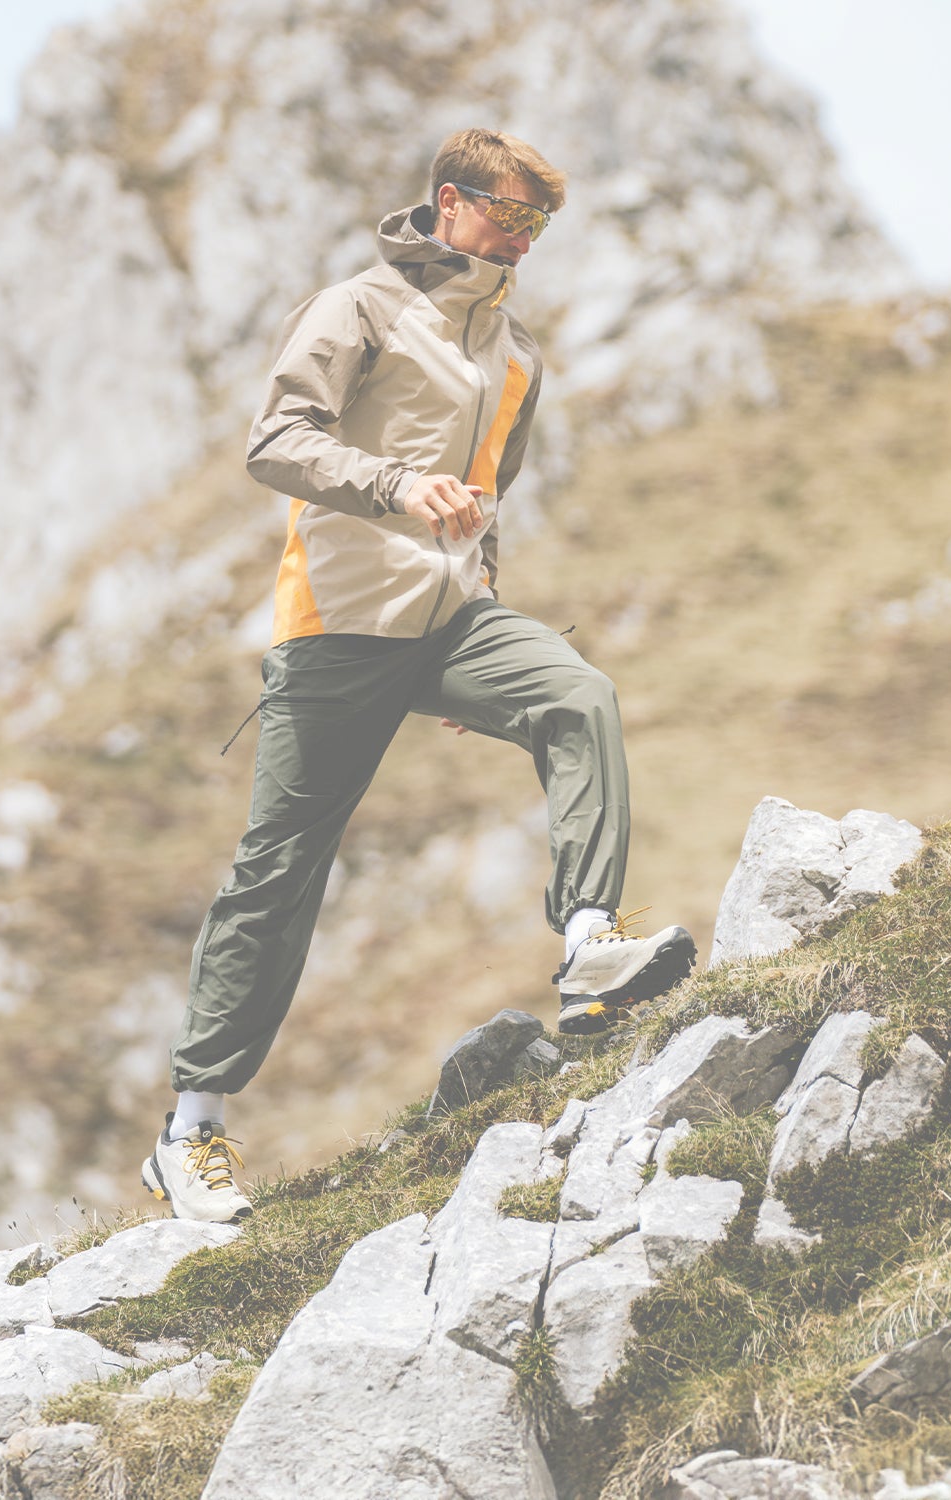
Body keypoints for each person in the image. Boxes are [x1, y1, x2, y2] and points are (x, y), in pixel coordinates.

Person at [141, 129, 696, 1223]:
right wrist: (396, 485)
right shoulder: (357, 309)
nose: (523, 240)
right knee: (280, 870)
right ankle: (191, 1132)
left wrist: (478, 608)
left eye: (540, 224)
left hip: (451, 625)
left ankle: (588, 942)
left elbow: (487, 493)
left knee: (576, 695)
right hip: (339, 627)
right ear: (450, 201)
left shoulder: (517, 353)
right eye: (509, 215)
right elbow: (274, 441)